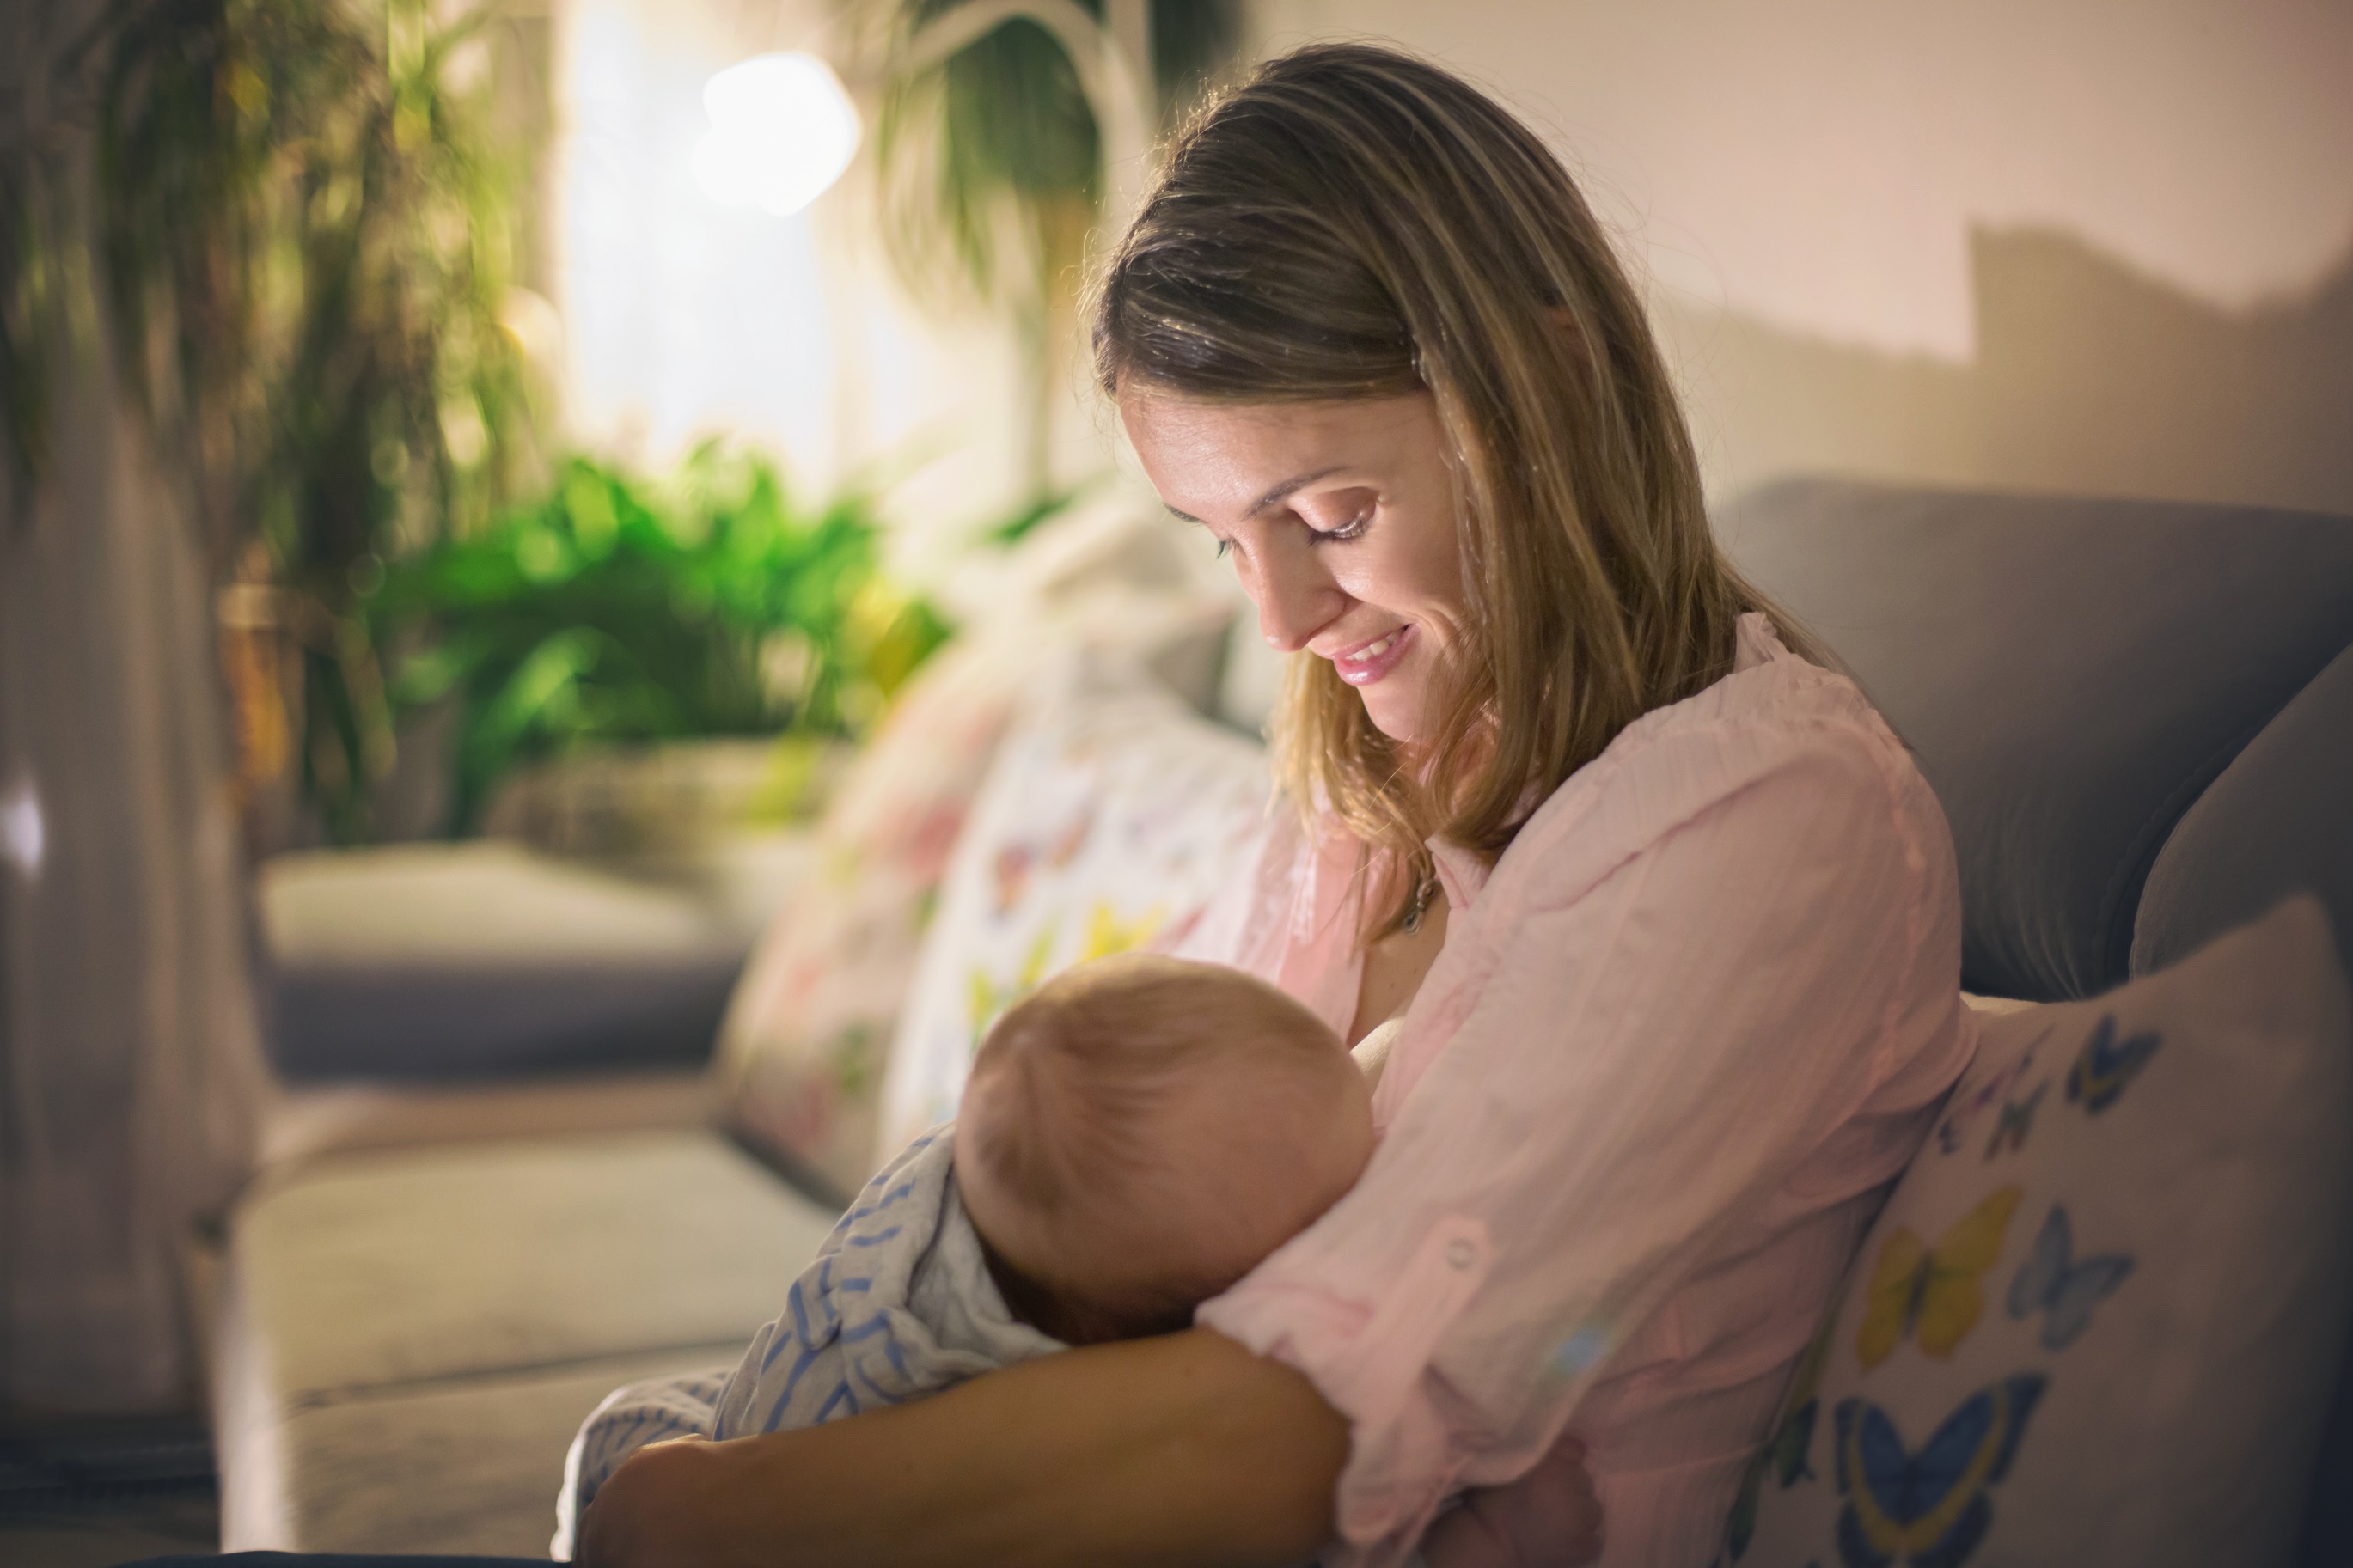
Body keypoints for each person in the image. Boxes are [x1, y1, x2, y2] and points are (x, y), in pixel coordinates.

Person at [578, 41, 1971, 1568]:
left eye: (1328, 515)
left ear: (1549, 386)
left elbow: (1316, 1411)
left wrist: (697, 1509)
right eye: (1222, 542)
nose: (1283, 621)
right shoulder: (1365, 784)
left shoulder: (1765, 823)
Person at [559, 955, 1592, 1568]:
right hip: (785, 1459)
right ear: (1121, 1335)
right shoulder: (1017, 1394)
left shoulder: (1027, 1185)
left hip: (720, 1427)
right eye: (1335, 1206)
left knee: (655, 1423)